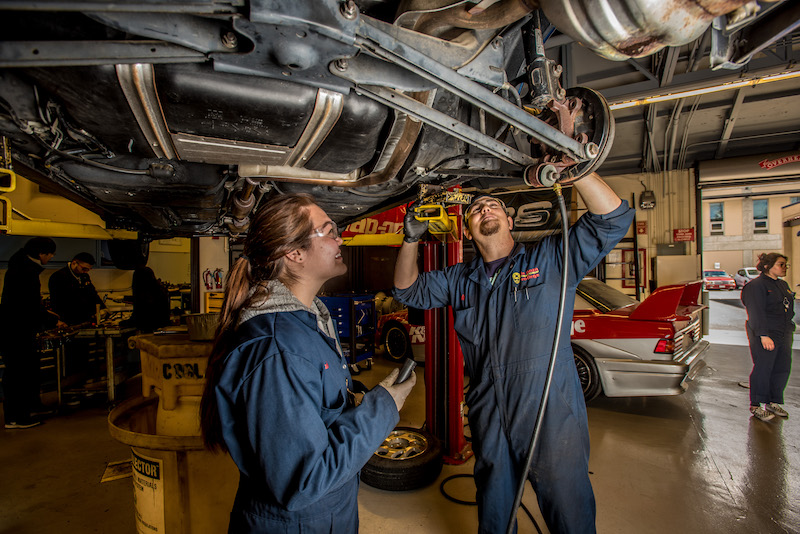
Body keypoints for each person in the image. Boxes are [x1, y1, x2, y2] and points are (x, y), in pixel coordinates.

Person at [393, 172, 634, 533]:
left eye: (493, 206)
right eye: (475, 208)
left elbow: (612, 219)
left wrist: (578, 173)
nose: (484, 209)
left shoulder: (550, 259)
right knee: (495, 508)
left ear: (508, 220)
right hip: (488, 410)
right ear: (468, 226)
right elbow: (406, 291)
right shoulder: (461, 279)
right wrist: (410, 240)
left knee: (568, 511)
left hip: (549, 410)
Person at [199, 194, 416, 533]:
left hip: (325, 516)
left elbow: (316, 402)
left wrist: (359, 399)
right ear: (294, 254)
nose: (340, 238)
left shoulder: (307, 319)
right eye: (329, 231)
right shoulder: (279, 349)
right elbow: (303, 480)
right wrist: (385, 408)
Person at [0, 237, 66, 429]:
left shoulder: (20, 266)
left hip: (16, 329)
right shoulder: (26, 271)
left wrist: (46, 314)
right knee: (18, 375)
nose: (52, 256)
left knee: (26, 372)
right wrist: (53, 320)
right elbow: (27, 305)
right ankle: (16, 418)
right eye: (50, 253)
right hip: (17, 331)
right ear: (40, 253)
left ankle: (29, 408)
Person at [741, 252, 794, 422]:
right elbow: (756, 312)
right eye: (781, 264)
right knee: (763, 368)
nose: (784, 268)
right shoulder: (756, 286)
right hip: (765, 333)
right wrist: (763, 335)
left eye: (786, 265)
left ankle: (773, 401)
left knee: (782, 367)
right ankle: (756, 405)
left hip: (783, 332)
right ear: (767, 266)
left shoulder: (782, 285)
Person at [48, 252, 105, 325]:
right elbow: (62, 302)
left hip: (84, 319)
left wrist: (103, 308)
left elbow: (92, 294)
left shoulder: (84, 276)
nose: (85, 271)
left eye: (88, 269)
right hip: (67, 320)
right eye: (84, 269)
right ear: (74, 263)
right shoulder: (59, 277)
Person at [127, 266, 170, 333]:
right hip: (161, 328)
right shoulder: (160, 290)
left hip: (149, 329)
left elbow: (139, 316)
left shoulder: (142, 293)